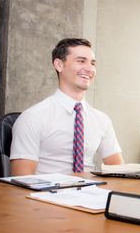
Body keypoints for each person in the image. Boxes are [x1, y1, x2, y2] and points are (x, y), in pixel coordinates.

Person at [10, 38, 123, 175]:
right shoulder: (32, 118)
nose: (89, 69)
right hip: (48, 194)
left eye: (92, 63)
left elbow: (119, 171)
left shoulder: (102, 120)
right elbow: (22, 180)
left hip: (93, 193)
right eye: (81, 61)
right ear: (59, 65)